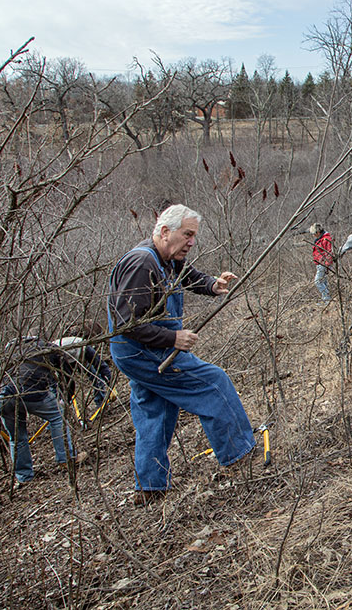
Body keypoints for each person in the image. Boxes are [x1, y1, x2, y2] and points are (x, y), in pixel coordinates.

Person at [107, 204, 255, 505]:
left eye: (193, 236)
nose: (191, 242)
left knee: (155, 411)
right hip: (143, 352)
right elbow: (126, 324)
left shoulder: (165, 259)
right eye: (187, 235)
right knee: (213, 384)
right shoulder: (142, 264)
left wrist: (213, 285)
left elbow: (186, 275)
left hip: (136, 353)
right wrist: (172, 337)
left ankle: (150, 488)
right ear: (165, 231)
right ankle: (241, 458)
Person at [0, 337, 87, 486]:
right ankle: (66, 458)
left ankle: (23, 476)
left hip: (5, 397)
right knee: (58, 417)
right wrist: (66, 397)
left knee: (17, 437)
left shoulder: (8, 352)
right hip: (32, 392)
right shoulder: (47, 347)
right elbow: (67, 376)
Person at [52, 335, 114, 408]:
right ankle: (60, 406)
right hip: (67, 357)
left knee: (95, 376)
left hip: (78, 349)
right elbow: (69, 381)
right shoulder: (55, 357)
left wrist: (110, 383)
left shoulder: (84, 348)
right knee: (63, 384)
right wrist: (66, 399)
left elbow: (100, 365)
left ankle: (101, 403)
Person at [309, 223, 333, 303]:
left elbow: (330, 252)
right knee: (323, 282)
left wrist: (326, 264)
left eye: (314, 234)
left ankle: (327, 299)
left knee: (318, 281)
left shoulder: (326, 239)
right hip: (319, 264)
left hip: (323, 264)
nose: (313, 235)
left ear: (318, 232)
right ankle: (326, 300)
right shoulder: (320, 239)